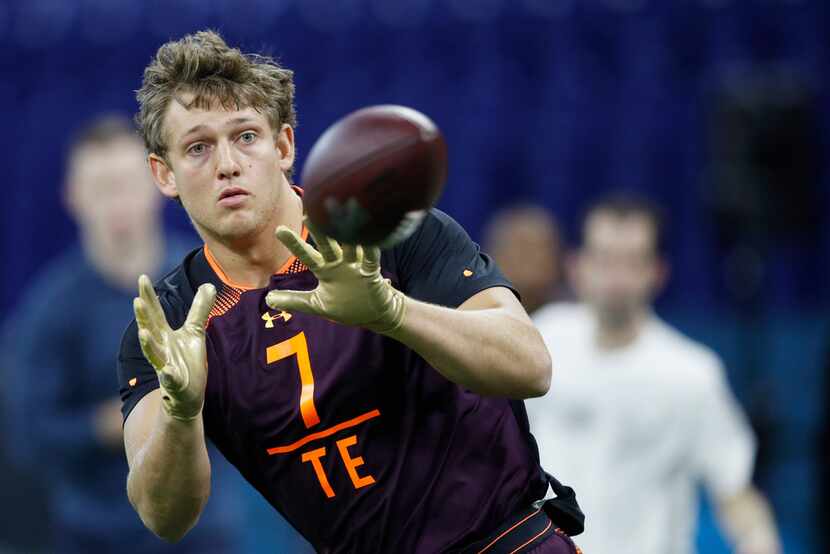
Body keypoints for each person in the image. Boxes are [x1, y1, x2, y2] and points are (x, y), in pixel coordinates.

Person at [118, 30, 583, 553]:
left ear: (284, 146)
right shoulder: (169, 323)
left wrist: (392, 314)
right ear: (165, 174)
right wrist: (181, 413)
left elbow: (531, 366)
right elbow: (164, 516)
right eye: (198, 147)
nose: (227, 163)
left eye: (245, 136)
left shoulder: (389, 229)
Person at [3, 115, 243, 553]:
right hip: (96, 539)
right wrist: (109, 426)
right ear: (73, 196)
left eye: (125, 185)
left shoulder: (210, 285)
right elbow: (30, 437)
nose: (116, 204)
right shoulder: (49, 312)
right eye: (100, 188)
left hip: (203, 535)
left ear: (157, 182)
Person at [526, 195, 781, 554]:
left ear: (658, 271)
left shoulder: (692, 374)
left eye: (632, 261)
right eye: (605, 259)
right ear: (577, 265)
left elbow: (735, 489)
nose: (617, 277)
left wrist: (759, 540)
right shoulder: (540, 342)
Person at [483, 204, 566, 316]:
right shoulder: (470, 313)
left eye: (544, 248)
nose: (538, 258)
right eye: (523, 250)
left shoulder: (571, 317)